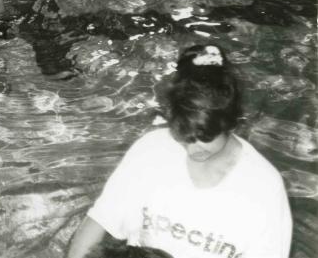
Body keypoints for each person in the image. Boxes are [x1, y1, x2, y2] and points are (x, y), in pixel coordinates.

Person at [66, 44, 292, 258]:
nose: (193, 149)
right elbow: (100, 222)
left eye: (205, 138)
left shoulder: (264, 187)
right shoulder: (152, 149)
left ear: (230, 124)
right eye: (183, 137)